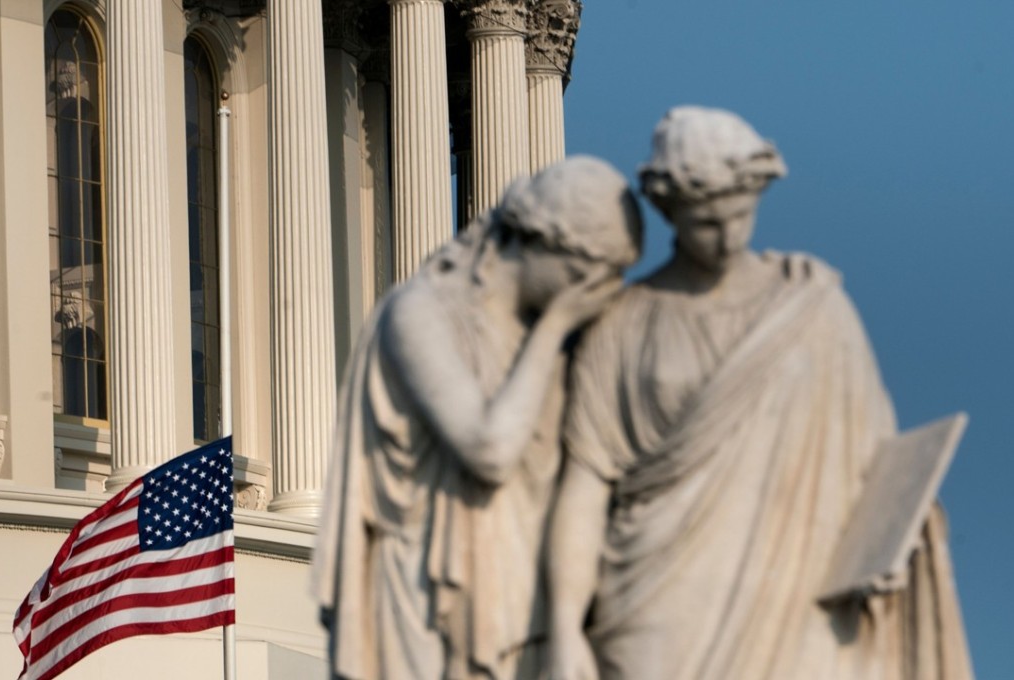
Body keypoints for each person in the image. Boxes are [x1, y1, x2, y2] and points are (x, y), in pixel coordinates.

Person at [549, 107, 972, 680]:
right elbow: (585, 484)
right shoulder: (622, 325)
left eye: (740, 216)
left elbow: (879, 468)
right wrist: (565, 625)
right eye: (705, 222)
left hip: (800, 589)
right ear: (669, 212)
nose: (727, 238)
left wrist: (895, 542)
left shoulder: (815, 309)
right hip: (658, 599)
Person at [310, 156, 643, 680]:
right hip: (430, 591)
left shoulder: (550, 340)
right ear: (541, 240)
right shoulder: (419, 313)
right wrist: (554, 329)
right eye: (584, 278)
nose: (589, 298)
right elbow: (489, 451)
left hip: (524, 584)